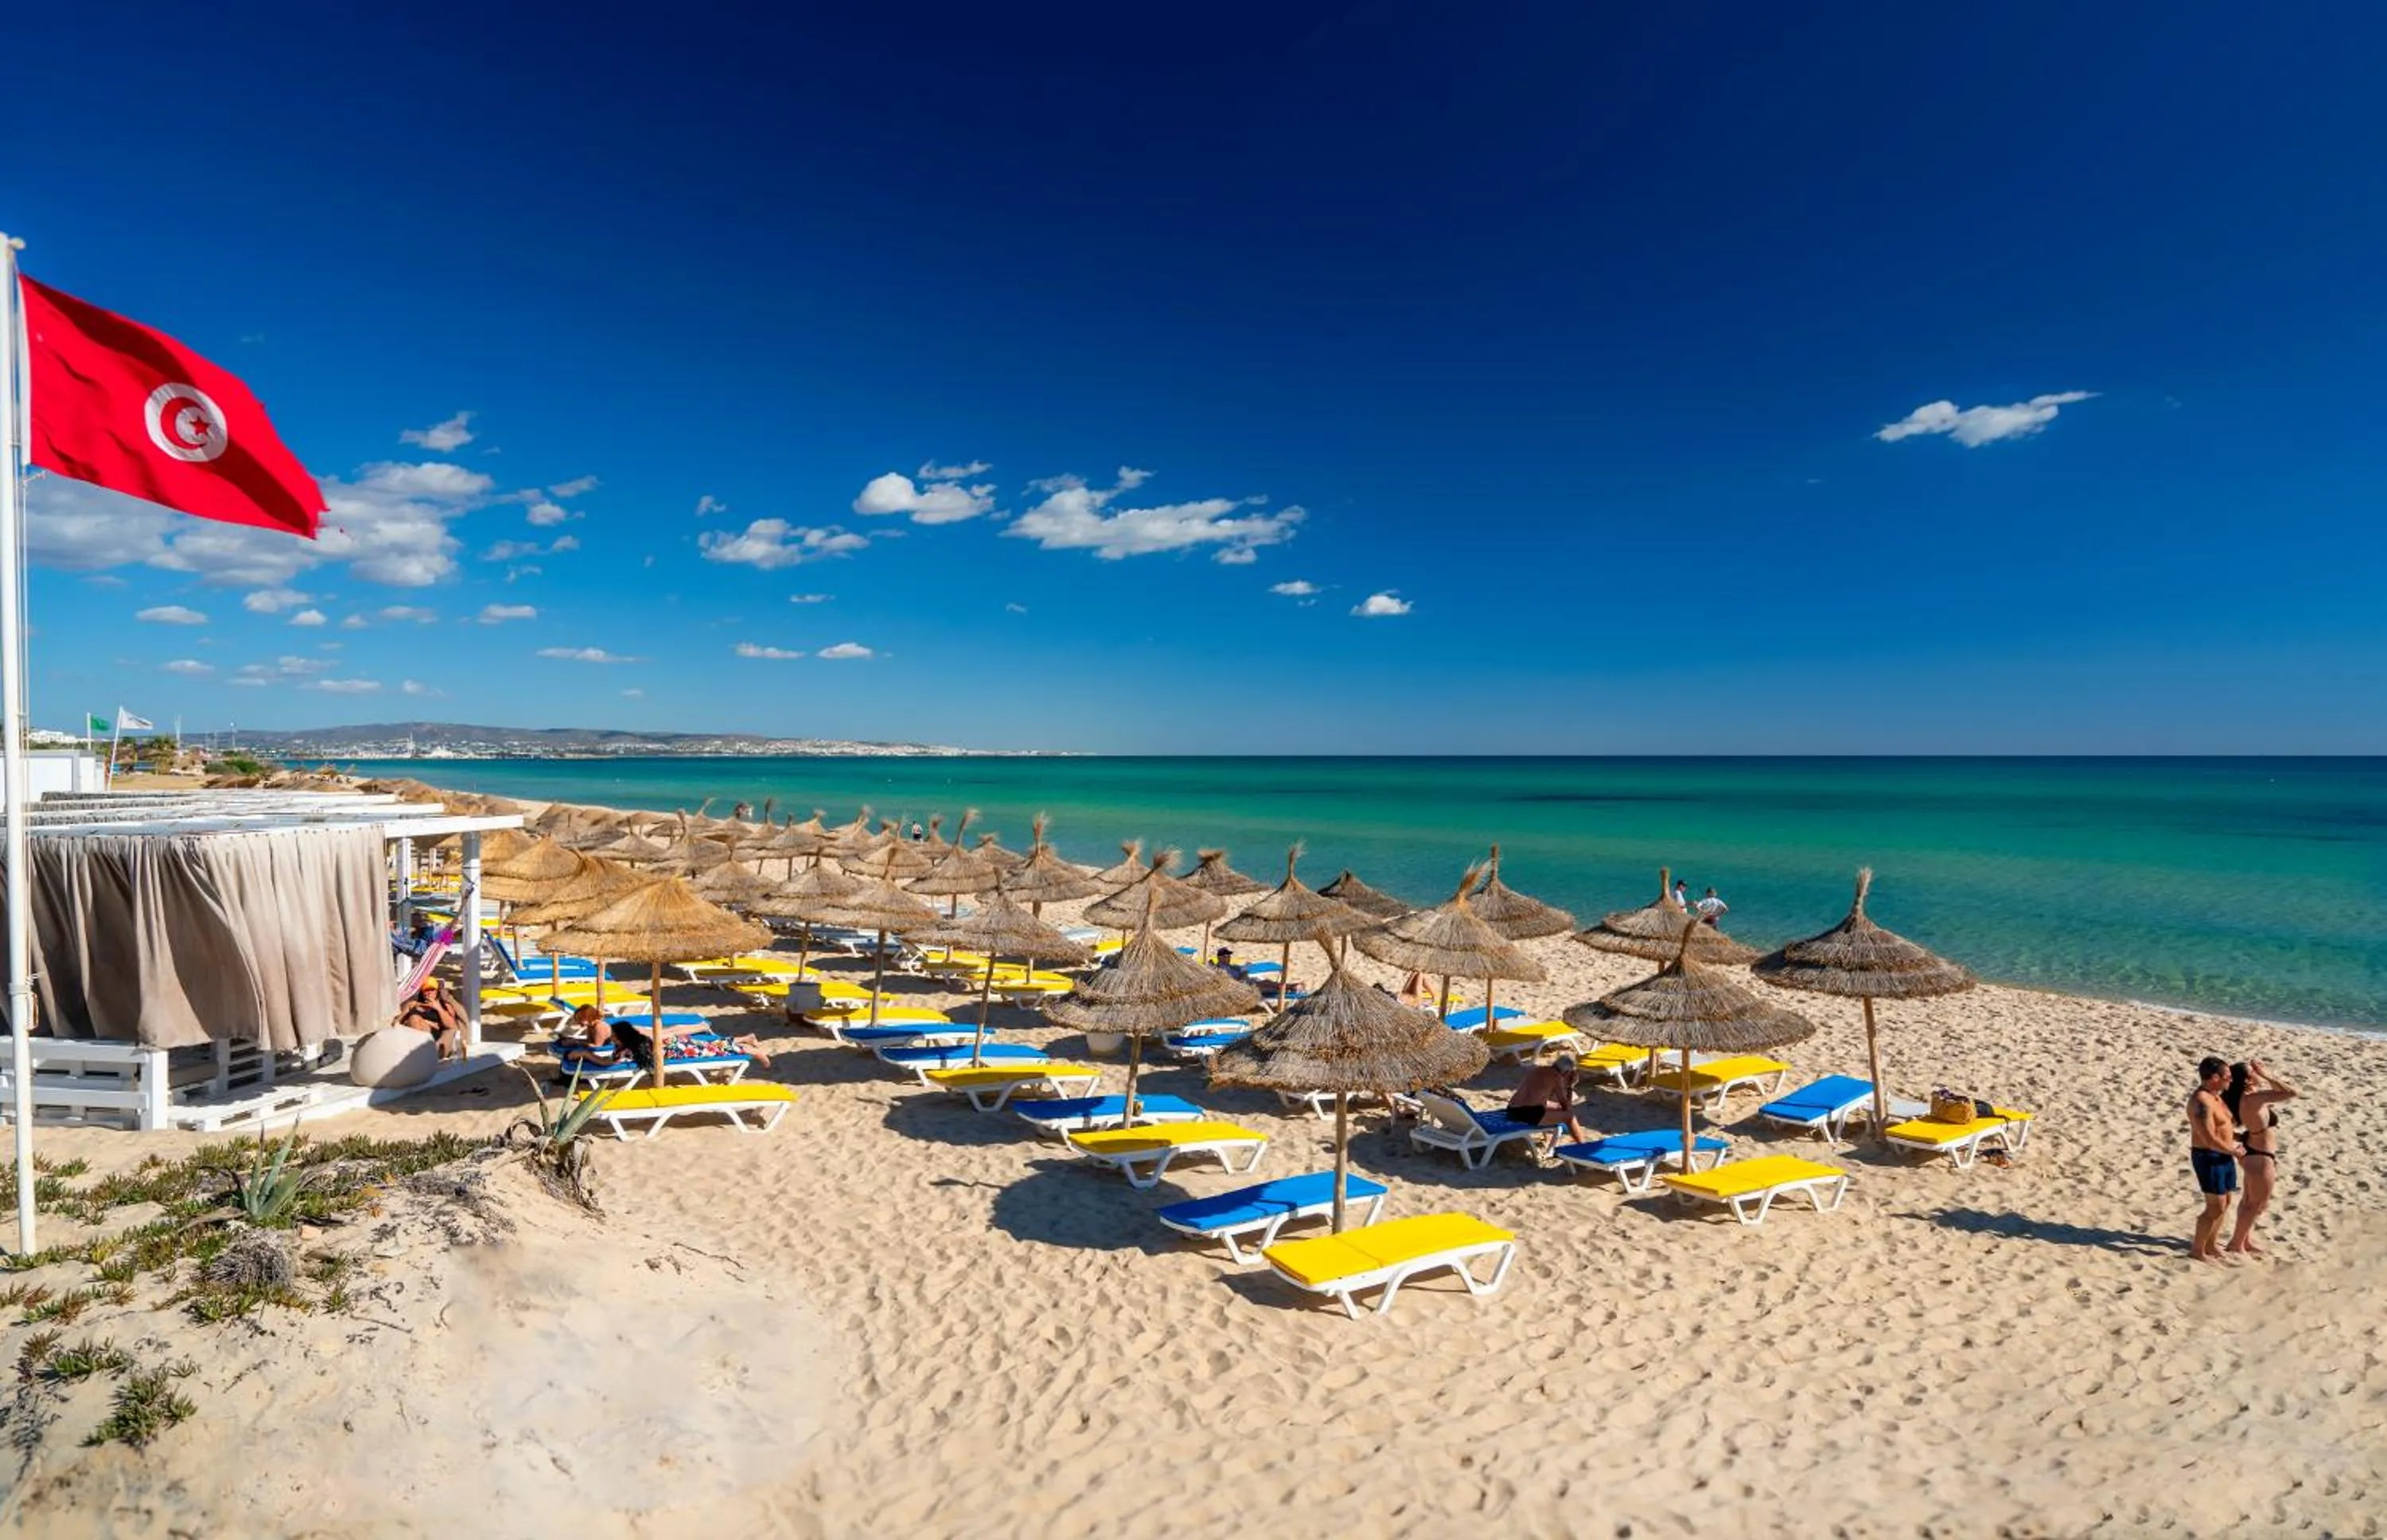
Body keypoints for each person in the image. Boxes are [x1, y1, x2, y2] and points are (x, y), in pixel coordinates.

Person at [2224, 1060, 2297, 1257]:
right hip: (2260, 1157)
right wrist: (2267, 1074)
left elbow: (2278, 1093)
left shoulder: (2245, 1097)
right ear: (2247, 1079)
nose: (2257, 1072)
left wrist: (2239, 1139)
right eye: (2253, 1071)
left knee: (2249, 1200)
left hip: (2255, 1152)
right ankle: (2236, 1244)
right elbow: (2291, 1093)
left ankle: (2244, 1241)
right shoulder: (2252, 1099)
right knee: (2257, 1204)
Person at [2187, 1055, 2245, 1263]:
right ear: (2214, 1077)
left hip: (2223, 1154)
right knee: (2215, 1207)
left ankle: (2211, 1244)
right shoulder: (2201, 1102)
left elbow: (2224, 1128)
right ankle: (2197, 1250)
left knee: (2226, 1201)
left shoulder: (2216, 1096)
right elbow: (2209, 1138)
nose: (2231, 1080)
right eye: (2228, 1077)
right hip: (2209, 1156)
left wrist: (2239, 1138)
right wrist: (2233, 1150)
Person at [1506, 1052, 1590, 1142]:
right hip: (1528, 1114)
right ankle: (1583, 1145)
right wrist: (1570, 1086)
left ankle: (1551, 1137)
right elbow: (1567, 1107)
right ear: (1567, 1072)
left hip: (1512, 1109)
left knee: (1556, 1107)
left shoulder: (1537, 1070)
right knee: (1569, 1116)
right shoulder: (1556, 1077)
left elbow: (1540, 1098)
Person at [396, 978, 466, 1061]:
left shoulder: (444, 1005)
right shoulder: (412, 1004)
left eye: (432, 990)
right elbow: (398, 1023)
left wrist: (437, 1008)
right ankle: (421, 1053)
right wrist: (408, 1011)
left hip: (435, 1039)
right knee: (414, 1018)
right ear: (422, 992)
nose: (429, 993)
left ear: (437, 991)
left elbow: (451, 1026)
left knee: (415, 1018)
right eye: (426, 990)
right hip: (413, 1037)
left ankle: (425, 1053)